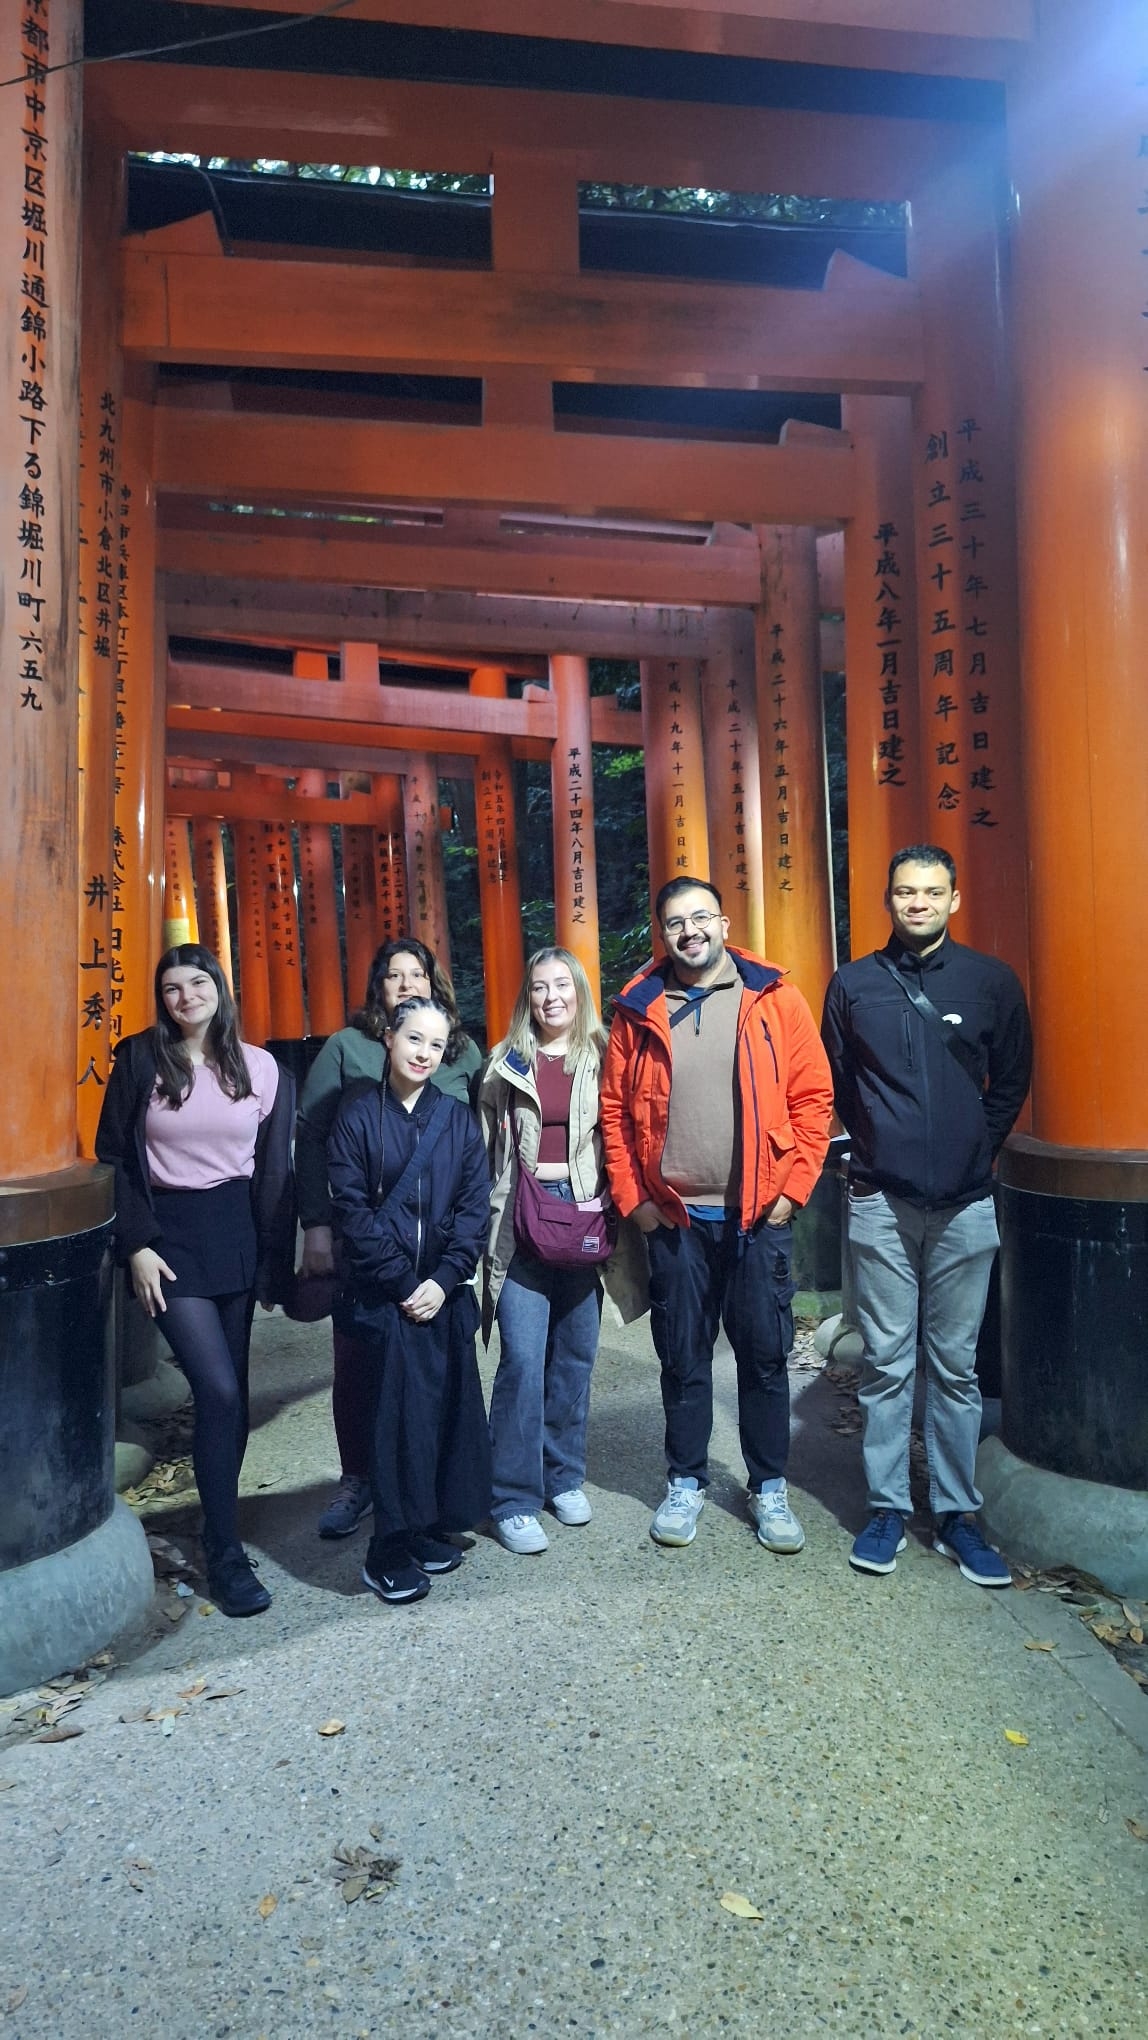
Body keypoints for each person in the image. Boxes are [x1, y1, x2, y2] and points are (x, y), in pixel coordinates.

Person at [600, 878, 834, 1552]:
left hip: (757, 1214)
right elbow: (614, 1112)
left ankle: (768, 1486)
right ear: (663, 935)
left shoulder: (773, 996)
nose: (690, 931)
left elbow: (813, 1098)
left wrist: (791, 1192)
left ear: (725, 924)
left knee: (763, 1355)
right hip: (675, 1217)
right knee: (682, 1354)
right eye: (676, 922)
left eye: (701, 917)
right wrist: (638, 1204)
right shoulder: (639, 1006)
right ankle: (686, 1481)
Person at [820, 844, 1032, 1586]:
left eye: (932, 892)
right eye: (906, 892)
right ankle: (886, 1506)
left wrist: (976, 1148)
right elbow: (839, 1079)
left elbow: (1011, 1079)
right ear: (889, 900)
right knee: (886, 1361)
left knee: (955, 1366)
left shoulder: (990, 981)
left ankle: (955, 1514)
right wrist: (880, 1146)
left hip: (966, 1204)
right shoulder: (854, 984)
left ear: (954, 900)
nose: (918, 903)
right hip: (882, 1199)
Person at [95, 945, 294, 1618]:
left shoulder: (260, 1067)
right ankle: (227, 1556)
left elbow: (274, 1169)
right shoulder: (140, 1058)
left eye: (198, 982)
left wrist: (278, 1259)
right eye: (172, 988)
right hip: (168, 1239)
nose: (186, 997)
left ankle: (219, 1524)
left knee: (232, 1397)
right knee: (215, 1387)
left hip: (235, 1234)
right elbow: (113, 1156)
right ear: (162, 999)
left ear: (219, 988)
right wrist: (136, 1244)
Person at [296, 937, 482, 1539]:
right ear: (379, 991)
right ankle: (359, 1479)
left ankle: (426, 1491)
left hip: (439, 1252)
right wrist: (315, 1223)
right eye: (393, 975)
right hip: (370, 1248)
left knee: (434, 1379)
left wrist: (454, 1266)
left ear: (434, 982)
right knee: (359, 1365)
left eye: (417, 973)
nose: (406, 983)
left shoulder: (461, 1052)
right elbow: (312, 1137)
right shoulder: (346, 1048)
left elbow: (478, 1145)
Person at [326, 997, 491, 1605]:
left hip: (440, 1293)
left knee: (440, 1417)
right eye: (414, 1039)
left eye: (435, 1045)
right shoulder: (356, 1116)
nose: (424, 1053)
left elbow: (474, 1206)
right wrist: (403, 1284)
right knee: (394, 1425)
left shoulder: (456, 1118)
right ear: (389, 1039)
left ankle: (423, 1529)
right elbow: (352, 1212)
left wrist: (445, 1279)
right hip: (385, 1296)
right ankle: (386, 1552)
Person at [480, 947, 645, 1555]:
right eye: (539, 987)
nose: (551, 997)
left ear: (580, 991)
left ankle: (564, 1476)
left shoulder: (606, 1055)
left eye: (562, 985)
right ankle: (513, 1498)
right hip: (520, 1220)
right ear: (528, 997)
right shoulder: (505, 1062)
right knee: (523, 1360)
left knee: (575, 1356)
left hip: (585, 1218)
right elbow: (483, 1149)